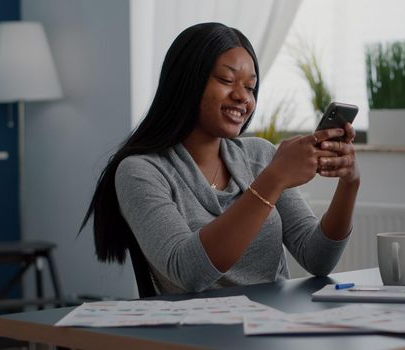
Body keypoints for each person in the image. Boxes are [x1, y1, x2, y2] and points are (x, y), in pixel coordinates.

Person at [81, 22, 359, 294]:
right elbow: (188, 273)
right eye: (226, 80)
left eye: (250, 87)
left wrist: (350, 183)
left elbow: (318, 258)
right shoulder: (141, 171)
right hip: (195, 334)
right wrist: (273, 180)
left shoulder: (260, 155)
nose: (242, 97)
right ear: (186, 82)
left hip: (272, 327)